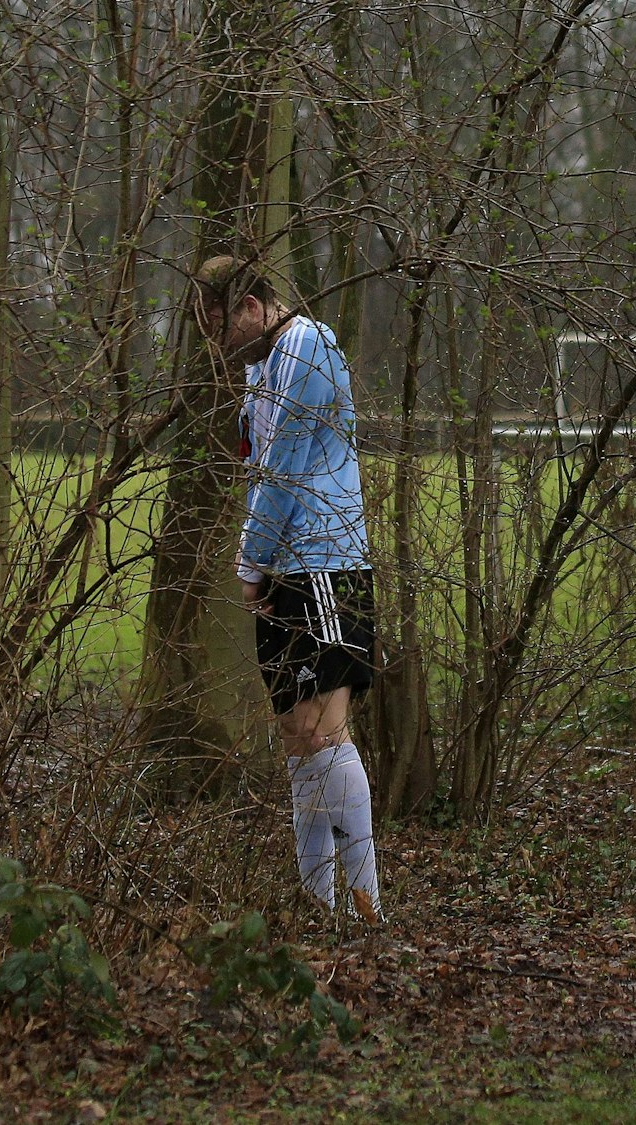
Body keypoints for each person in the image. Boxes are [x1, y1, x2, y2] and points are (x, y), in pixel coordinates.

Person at [191, 254, 383, 923]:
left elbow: (283, 473)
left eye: (218, 325)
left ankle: (365, 909)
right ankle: (313, 902)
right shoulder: (261, 369)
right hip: (284, 570)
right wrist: (263, 567)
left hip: (326, 565)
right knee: (296, 739)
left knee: (322, 731)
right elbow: (257, 467)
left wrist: (249, 565)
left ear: (249, 306)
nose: (216, 343)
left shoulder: (307, 348)